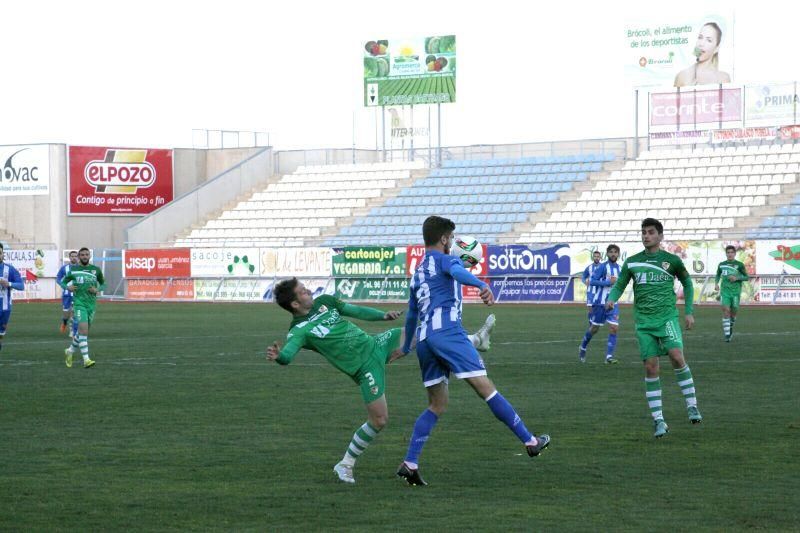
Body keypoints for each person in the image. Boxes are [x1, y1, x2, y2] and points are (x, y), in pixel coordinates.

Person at [265, 277, 497, 484]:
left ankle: (475, 340)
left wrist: (382, 316)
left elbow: (355, 310)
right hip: (364, 368)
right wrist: (279, 357)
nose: (308, 292)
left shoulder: (325, 302)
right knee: (379, 420)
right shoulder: (299, 331)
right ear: (295, 304)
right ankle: (345, 464)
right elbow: (288, 355)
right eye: (303, 291)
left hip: (377, 343)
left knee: (424, 333)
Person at [396, 216, 549, 486]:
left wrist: (405, 347)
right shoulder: (447, 260)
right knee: (485, 388)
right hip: (447, 333)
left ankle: (410, 462)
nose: (453, 242)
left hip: (423, 340)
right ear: (444, 239)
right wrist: (482, 285)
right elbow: (457, 272)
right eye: (452, 238)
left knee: (436, 404)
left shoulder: (418, 271)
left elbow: (411, 314)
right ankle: (530, 440)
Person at [606, 219, 701, 438]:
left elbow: (687, 283)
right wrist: (612, 299)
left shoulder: (672, 261)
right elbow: (620, 284)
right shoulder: (632, 262)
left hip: (667, 318)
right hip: (644, 322)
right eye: (643, 233)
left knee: (677, 356)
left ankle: (692, 405)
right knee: (651, 367)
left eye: (650, 232)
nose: (646, 236)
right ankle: (659, 420)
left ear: (660, 236)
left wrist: (688, 311)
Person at [60, 247, 104, 368]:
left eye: (87, 254)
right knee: (83, 331)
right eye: (82, 255)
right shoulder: (73, 270)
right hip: (79, 304)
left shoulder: (96, 270)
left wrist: (97, 289)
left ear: (89, 256)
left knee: (82, 333)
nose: (85, 256)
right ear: (79, 257)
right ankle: (86, 360)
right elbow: (62, 282)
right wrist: (67, 287)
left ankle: (69, 351)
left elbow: (103, 284)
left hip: (91, 305)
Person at [580, 244, 621, 364]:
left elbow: (620, 284)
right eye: (611, 252)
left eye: (615, 252)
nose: (613, 254)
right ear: (607, 254)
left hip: (613, 303)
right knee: (594, 329)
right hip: (600, 303)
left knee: (614, 328)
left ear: (618, 254)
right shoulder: (603, 267)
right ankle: (582, 347)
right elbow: (592, 281)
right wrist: (608, 283)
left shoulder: (620, 268)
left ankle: (608, 357)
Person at [674, 22, 731, 87]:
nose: (701, 44)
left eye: (708, 40)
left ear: (716, 48)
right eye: (700, 37)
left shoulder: (723, 78)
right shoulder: (682, 76)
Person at [715, 245, 749, 342]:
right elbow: (717, 275)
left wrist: (737, 278)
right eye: (728, 252)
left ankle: (730, 326)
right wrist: (716, 284)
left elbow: (746, 277)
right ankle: (727, 335)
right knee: (726, 311)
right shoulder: (721, 264)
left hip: (735, 293)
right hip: (724, 292)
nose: (730, 254)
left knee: (733, 314)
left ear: (735, 253)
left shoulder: (739, 265)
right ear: (726, 254)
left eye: (731, 252)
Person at [0, 243, 25, 353]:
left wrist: (9, 283)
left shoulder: (9, 269)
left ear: (3, 254)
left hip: (5, 309)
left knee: (1, 334)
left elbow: (21, 286)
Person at [578, 250, 602, 362]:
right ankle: (591, 324)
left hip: (600, 293)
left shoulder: (604, 267)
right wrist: (585, 281)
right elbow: (583, 277)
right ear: (593, 257)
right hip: (591, 292)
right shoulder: (589, 268)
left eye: (598, 256)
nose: (596, 257)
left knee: (597, 313)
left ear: (600, 257)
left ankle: (592, 325)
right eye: (595, 256)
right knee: (590, 310)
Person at [56, 251, 79, 335]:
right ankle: (64, 322)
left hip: (77, 294)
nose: (74, 257)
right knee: (66, 313)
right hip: (67, 294)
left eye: (75, 256)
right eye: (72, 256)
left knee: (74, 312)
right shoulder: (64, 268)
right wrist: (65, 286)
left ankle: (73, 330)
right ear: (69, 258)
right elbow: (58, 279)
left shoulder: (81, 268)